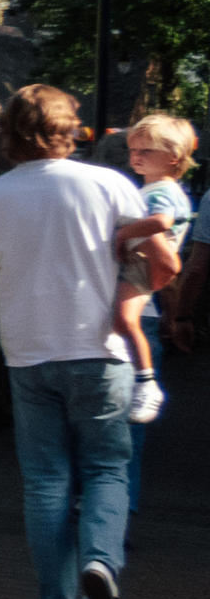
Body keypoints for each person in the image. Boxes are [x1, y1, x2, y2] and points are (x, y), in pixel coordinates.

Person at [0, 84, 175, 599]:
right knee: (107, 469)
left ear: (10, 130)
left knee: (45, 481)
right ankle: (102, 565)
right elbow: (159, 260)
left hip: (28, 349)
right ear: (70, 127)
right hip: (101, 347)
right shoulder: (110, 184)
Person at [108, 114, 194, 425]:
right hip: (140, 261)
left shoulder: (163, 191)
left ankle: (146, 382)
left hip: (142, 264)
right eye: (133, 150)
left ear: (173, 158)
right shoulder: (152, 188)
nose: (136, 157)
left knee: (124, 318)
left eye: (146, 151)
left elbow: (161, 223)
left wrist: (122, 234)